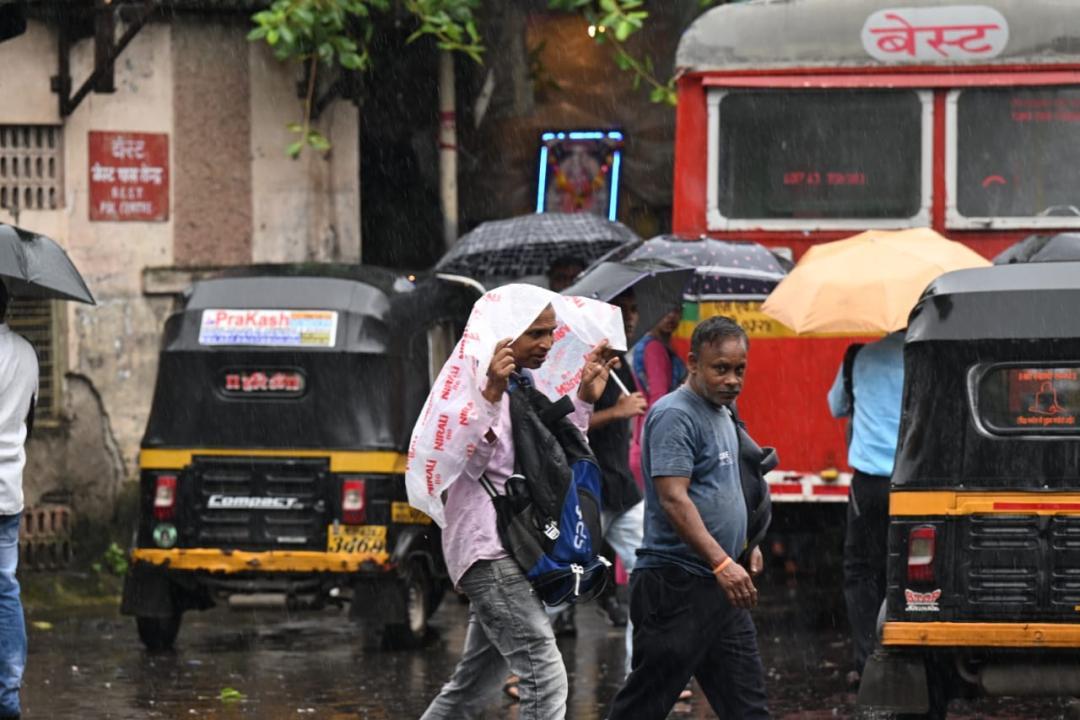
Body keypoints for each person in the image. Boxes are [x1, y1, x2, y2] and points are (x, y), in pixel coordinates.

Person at [420, 303, 617, 720]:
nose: (547, 344)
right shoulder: (470, 385)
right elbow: (468, 463)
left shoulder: (523, 387)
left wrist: (583, 398)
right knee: (544, 676)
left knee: (474, 685)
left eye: (550, 332)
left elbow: (552, 458)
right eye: (536, 334)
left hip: (516, 548)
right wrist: (490, 396)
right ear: (505, 335)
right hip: (489, 548)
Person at [607, 316, 770, 720]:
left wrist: (747, 544)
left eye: (740, 369)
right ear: (694, 363)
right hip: (676, 585)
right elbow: (673, 499)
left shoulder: (724, 411)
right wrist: (721, 561)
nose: (732, 380)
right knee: (643, 706)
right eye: (721, 369)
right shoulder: (674, 415)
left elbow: (733, 484)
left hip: (721, 587)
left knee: (749, 708)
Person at [827, 331, 905, 688]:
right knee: (906, 571)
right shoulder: (925, 355)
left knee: (861, 571)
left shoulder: (858, 356)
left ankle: (869, 662)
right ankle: (910, 656)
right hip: (913, 482)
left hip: (869, 485)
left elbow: (835, 406)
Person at [0, 282, 36, 720]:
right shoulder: (28, 353)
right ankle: (7, 698)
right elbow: (31, 418)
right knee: (5, 591)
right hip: (8, 491)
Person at [628, 307, 687, 486]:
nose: (671, 316)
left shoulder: (656, 346)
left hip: (646, 438)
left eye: (676, 310)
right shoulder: (654, 348)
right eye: (665, 310)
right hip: (656, 442)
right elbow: (659, 399)